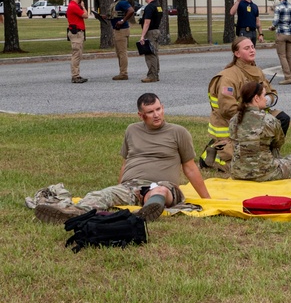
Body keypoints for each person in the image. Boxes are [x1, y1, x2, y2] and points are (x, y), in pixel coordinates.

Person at [34, 93, 211, 224]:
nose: (156, 114)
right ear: (141, 115)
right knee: (102, 194)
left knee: (159, 192)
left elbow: (190, 167)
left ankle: (146, 212)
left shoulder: (178, 132)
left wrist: (208, 200)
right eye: (150, 112)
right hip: (131, 184)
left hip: (164, 185)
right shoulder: (132, 130)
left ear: (163, 108)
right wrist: (119, 186)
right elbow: (126, 162)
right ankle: (72, 212)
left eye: (158, 109)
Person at [204, 36, 290, 170]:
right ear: (237, 54)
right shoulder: (228, 77)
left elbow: (272, 93)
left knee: (282, 118)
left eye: (252, 47)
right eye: (246, 48)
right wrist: (254, 111)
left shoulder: (257, 71)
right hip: (233, 121)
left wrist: (267, 100)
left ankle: (267, 153)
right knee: (238, 161)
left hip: (255, 116)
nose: (252, 50)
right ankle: (211, 153)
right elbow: (227, 109)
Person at [229, 82, 291, 181]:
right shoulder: (269, 120)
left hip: (238, 172)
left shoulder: (234, 120)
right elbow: (278, 142)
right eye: (264, 95)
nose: (266, 99)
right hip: (265, 173)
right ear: (256, 98)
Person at [108, 0, 134, 81]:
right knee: (119, 52)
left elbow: (131, 10)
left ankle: (124, 73)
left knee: (122, 52)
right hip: (117, 30)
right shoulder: (116, 3)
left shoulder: (123, 2)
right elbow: (115, 15)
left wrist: (123, 20)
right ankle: (122, 72)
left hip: (122, 30)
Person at [271, 0, 291, 84]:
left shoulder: (278, 7)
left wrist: (272, 27)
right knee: (289, 56)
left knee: (282, 56)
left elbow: (276, 21)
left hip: (281, 32)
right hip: (290, 33)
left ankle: (287, 77)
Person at [138, 0, 163, 83]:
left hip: (151, 32)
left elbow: (147, 22)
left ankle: (152, 75)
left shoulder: (150, 7)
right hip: (156, 30)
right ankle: (156, 74)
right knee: (155, 53)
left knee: (150, 54)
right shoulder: (158, 6)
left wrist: (142, 36)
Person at [66, 0, 88, 84]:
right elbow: (86, 15)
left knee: (78, 54)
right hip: (76, 33)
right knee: (76, 54)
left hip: (78, 32)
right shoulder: (73, 6)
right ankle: (75, 76)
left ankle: (77, 75)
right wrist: (83, 7)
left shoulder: (73, 5)